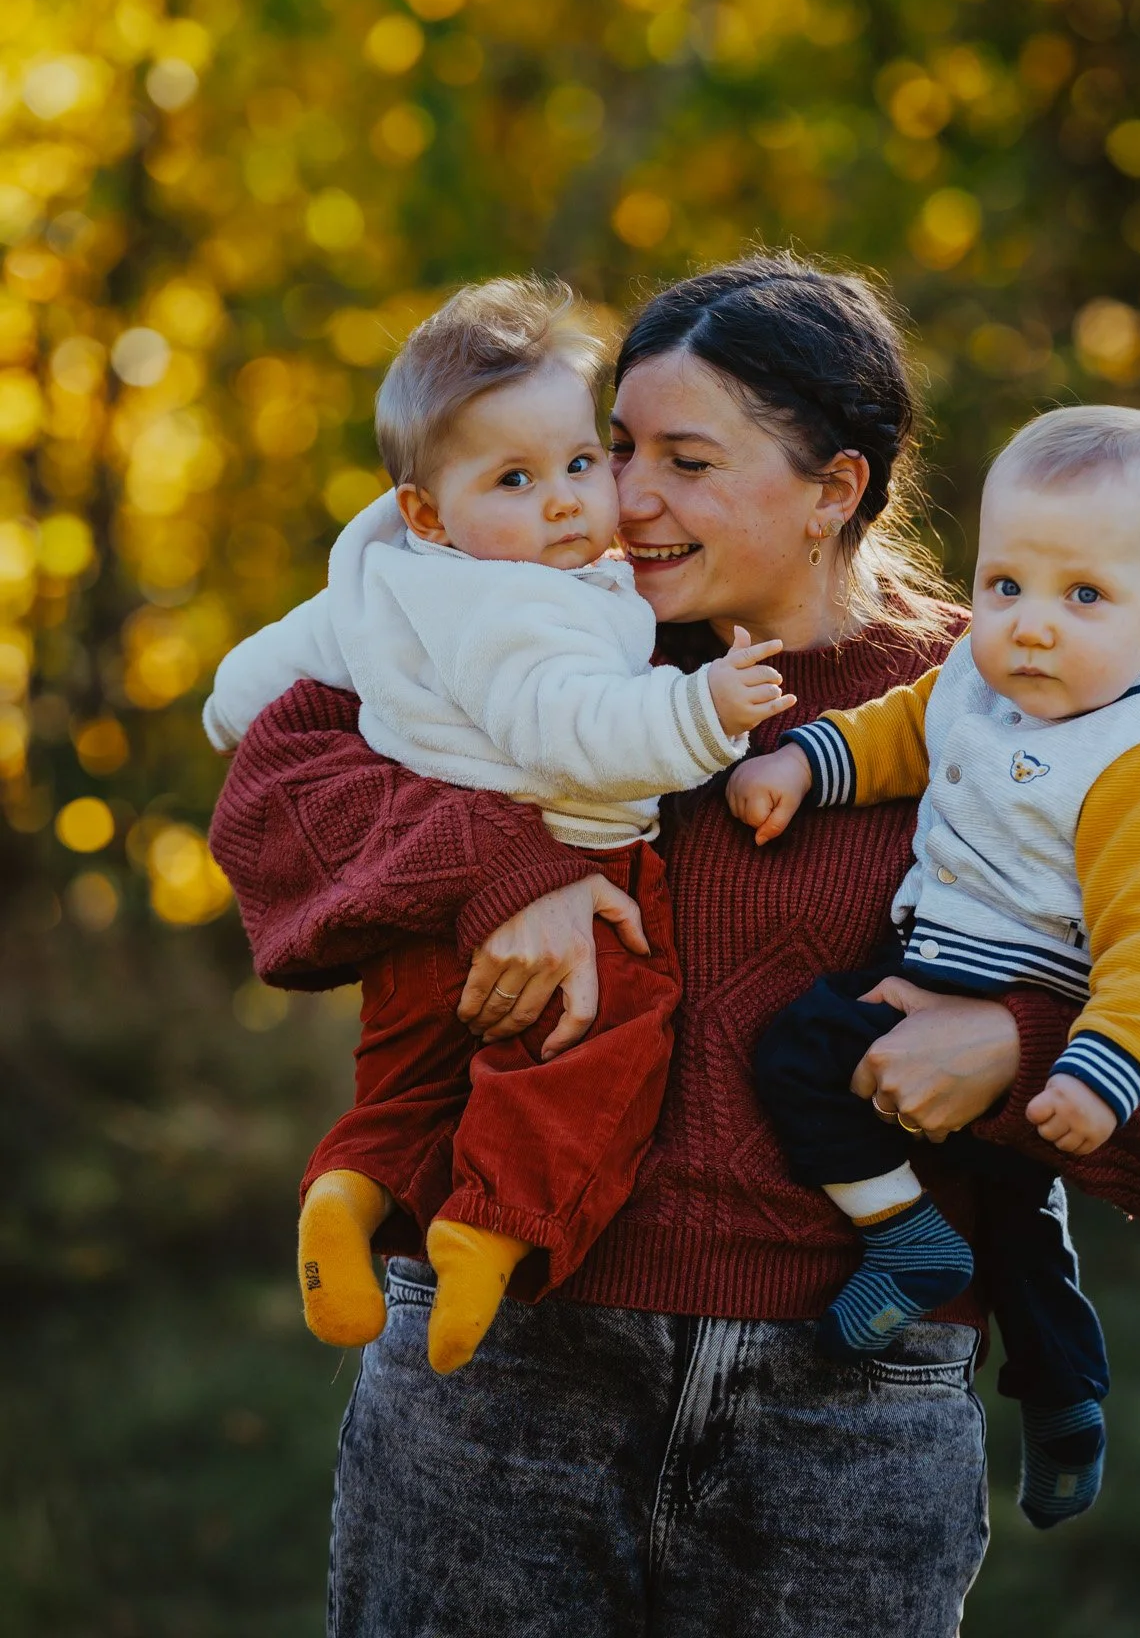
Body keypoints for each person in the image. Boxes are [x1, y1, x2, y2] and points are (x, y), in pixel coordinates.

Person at [209, 254, 1140, 1638]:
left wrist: (1017, 1042)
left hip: (844, 1417)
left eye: (686, 459)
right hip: (500, 1374)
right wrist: (508, 869)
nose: (627, 497)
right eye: (616, 451)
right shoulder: (531, 634)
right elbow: (273, 790)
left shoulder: (1015, 697)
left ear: (835, 488)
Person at [204, 277, 792, 1372]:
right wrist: (699, 712)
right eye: (515, 480)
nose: (570, 502)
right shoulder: (530, 606)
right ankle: (492, 1223)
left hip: (419, 917)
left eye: (581, 462)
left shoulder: (390, 575)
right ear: (431, 509)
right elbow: (574, 727)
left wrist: (223, 703)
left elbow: (263, 680)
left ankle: (348, 1184)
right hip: (570, 840)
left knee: (412, 1073)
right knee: (603, 1035)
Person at [731, 403, 1140, 1528]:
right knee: (810, 1052)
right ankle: (907, 1234)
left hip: (1039, 1001)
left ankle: (1065, 1402)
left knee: (1024, 1235)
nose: (1031, 628)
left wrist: (1086, 1069)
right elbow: (906, 727)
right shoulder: (978, 667)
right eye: (1006, 583)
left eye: (1086, 596)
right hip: (928, 968)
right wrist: (809, 763)